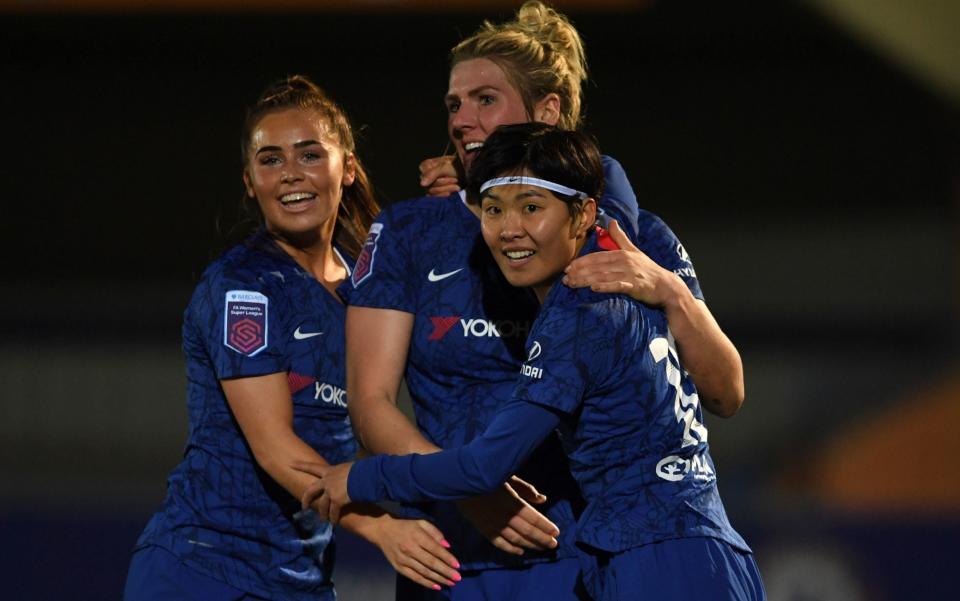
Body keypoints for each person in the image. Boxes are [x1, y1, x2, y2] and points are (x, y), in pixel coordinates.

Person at [333, 3, 743, 599]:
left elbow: (726, 392)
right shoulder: (410, 233)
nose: (462, 119)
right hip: (450, 558)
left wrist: (672, 288)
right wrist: (475, 496)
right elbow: (369, 402)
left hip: (585, 555)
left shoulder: (631, 235)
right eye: (454, 104)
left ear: (547, 110)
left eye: (484, 100)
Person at [123, 75, 460, 601]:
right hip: (204, 570)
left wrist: (464, 202)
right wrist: (381, 528)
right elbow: (276, 450)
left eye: (309, 154)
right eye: (270, 160)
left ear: (346, 168)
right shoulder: (243, 288)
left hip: (300, 580)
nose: (289, 175)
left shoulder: (365, 290)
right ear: (250, 181)